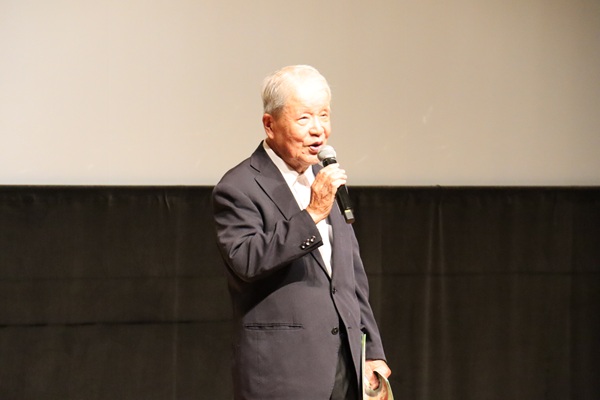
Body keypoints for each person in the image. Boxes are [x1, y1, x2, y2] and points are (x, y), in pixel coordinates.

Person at [212, 64, 391, 400]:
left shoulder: (325, 179)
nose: (318, 130)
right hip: (283, 371)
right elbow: (246, 260)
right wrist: (312, 215)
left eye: (324, 115)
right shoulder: (238, 187)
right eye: (304, 118)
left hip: (346, 364)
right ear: (270, 124)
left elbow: (351, 275)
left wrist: (371, 350)